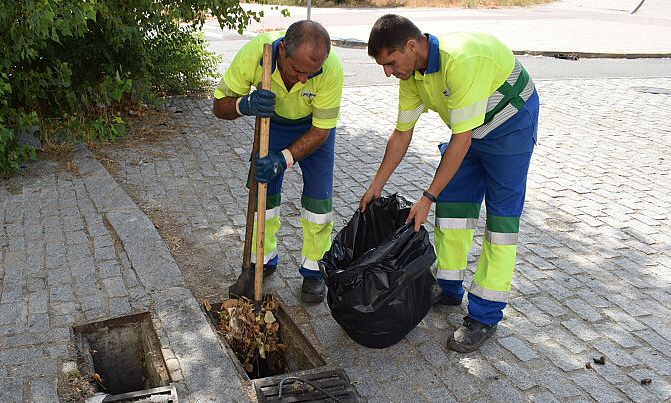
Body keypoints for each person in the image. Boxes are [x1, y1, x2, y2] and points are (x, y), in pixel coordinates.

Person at [359, 14, 539, 352]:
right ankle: (448, 285)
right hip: (468, 130)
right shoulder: (412, 74)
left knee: (501, 223)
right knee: (454, 207)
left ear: (412, 46)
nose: (387, 71)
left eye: (390, 62)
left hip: (510, 122)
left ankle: (484, 316)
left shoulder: (461, 62)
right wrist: (376, 184)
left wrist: (426, 197)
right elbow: (402, 133)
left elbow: (461, 139)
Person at [212, 20, 344, 303]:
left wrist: (282, 159)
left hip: (314, 130)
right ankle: (262, 260)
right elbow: (219, 104)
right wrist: (243, 105)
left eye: (312, 73)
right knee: (263, 195)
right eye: (298, 71)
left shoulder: (331, 68)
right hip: (271, 125)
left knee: (318, 204)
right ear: (282, 49)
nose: (304, 80)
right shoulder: (255, 56)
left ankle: (313, 271)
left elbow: (322, 130)